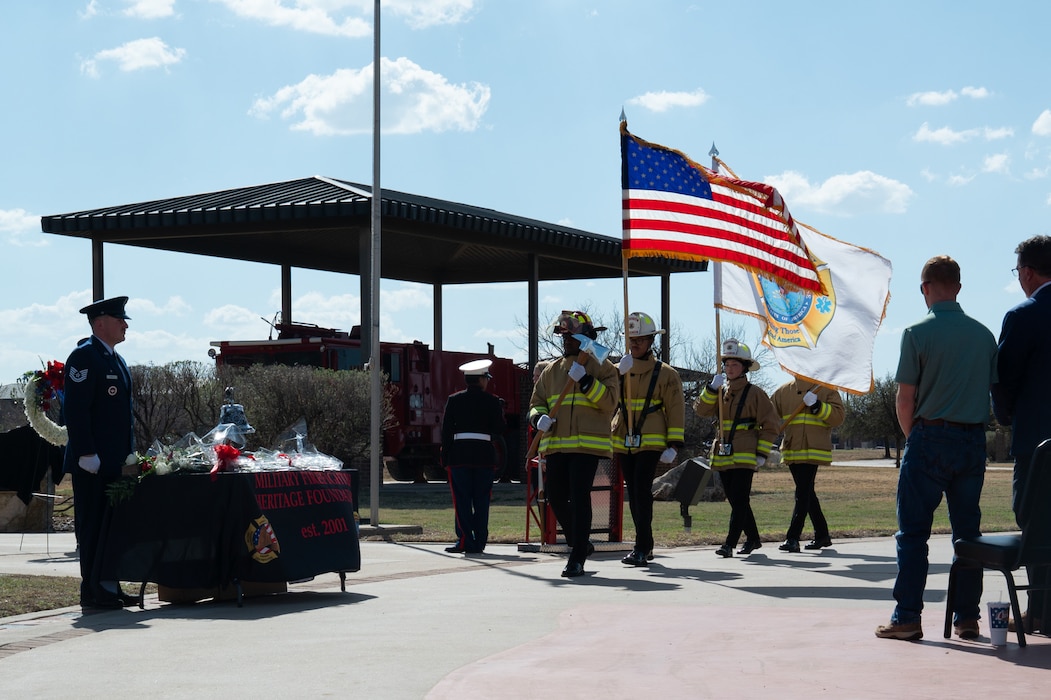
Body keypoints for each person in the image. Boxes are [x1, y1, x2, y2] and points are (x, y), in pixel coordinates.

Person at [875, 255, 997, 642]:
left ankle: (908, 616)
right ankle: (967, 618)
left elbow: (905, 400)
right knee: (968, 534)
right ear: (959, 288)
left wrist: (915, 440)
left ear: (924, 288)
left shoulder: (915, 332)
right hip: (972, 439)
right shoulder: (983, 335)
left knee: (912, 534)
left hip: (929, 436)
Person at [991, 235, 1051, 635]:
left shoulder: (1023, 315)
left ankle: (1041, 612)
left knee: (1037, 525)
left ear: (1027, 272)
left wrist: (1006, 416)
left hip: (1038, 445)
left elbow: (1004, 381)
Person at [529, 310, 619, 578]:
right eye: (564, 336)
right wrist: (538, 419)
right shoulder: (551, 371)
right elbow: (536, 403)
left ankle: (577, 557)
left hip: (587, 447)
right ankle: (580, 542)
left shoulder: (603, 367)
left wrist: (588, 381)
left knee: (580, 497)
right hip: (557, 445)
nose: (566, 341)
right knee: (555, 496)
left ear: (587, 337)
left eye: (572, 336)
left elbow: (609, 403)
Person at [62, 296, 137, 610]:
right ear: (100, 323)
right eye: (119, 319)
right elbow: (76, 411)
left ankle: (109, 584)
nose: (124, 325)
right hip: (92, 463)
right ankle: (93, 590)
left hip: (114, 463)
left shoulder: (115, 360)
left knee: (112, 528)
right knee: (93, 527)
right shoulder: (84, 357)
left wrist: (129, 455)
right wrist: (86, 453)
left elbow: (122, 417)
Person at [693, 339, 779, 558]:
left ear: (744, 368)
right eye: (727, 365)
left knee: (739, 499)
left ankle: (729, 544)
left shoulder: (756, 393)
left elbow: (771, 425)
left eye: (734, 365)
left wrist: (761, 453)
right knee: (735, 500)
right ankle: (753, 538)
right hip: (723, 454)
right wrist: (710, 389)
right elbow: (701, 410)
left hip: (745, 454)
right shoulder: (719, 390)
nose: (729, 369)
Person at [612, 312, 685, 566]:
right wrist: (614, 375)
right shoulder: (618, 370)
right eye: (632, 339)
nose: (635, 344)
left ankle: (642, 546)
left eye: (640, 339)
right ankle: (646, 544)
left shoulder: (666, 374)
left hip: (651, 439)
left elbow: (675, 407)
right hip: (623, 437)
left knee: (642, 490)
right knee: (634, 491)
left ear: (651, 341)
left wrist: (674, 444)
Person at [440, 359, 506, 555]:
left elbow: (446, 432)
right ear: (481, 379)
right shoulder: (493, 401)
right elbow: (500, 429)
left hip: (459, 455)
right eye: (486, 377)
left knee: (462, 500)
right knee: (481, 500)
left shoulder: (454, 400)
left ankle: (465, 539)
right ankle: (479, 541)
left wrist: (445, 457)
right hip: (483, 456)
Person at [771, 378, 844, 553]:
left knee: (802, 493)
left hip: (813, 449)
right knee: (807, 493)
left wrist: (818, 406)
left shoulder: (827, 389)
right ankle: (822, 535)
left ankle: (793, 537)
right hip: (792, 449)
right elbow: (768, 415)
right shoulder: (783, 390)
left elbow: (838, 417)